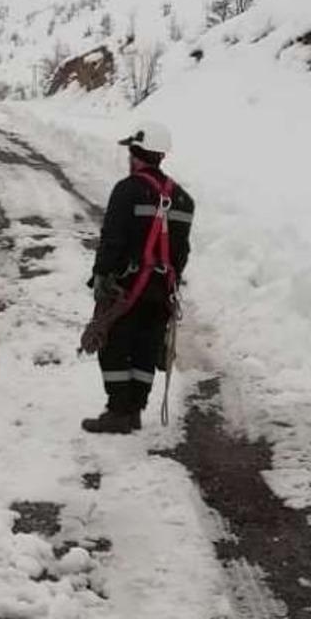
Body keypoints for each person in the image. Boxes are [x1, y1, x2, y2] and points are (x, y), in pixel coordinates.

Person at [79, 121, 194, 433]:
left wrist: (101, 276)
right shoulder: (183, 199)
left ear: (137, 152)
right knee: (147, 346)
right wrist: (171, 282)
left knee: (113, 344)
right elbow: (181, 251)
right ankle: (135, 410)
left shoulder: (127, 190)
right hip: (161, 290)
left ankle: (119, 411)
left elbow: (112, 238)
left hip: (125, 288)